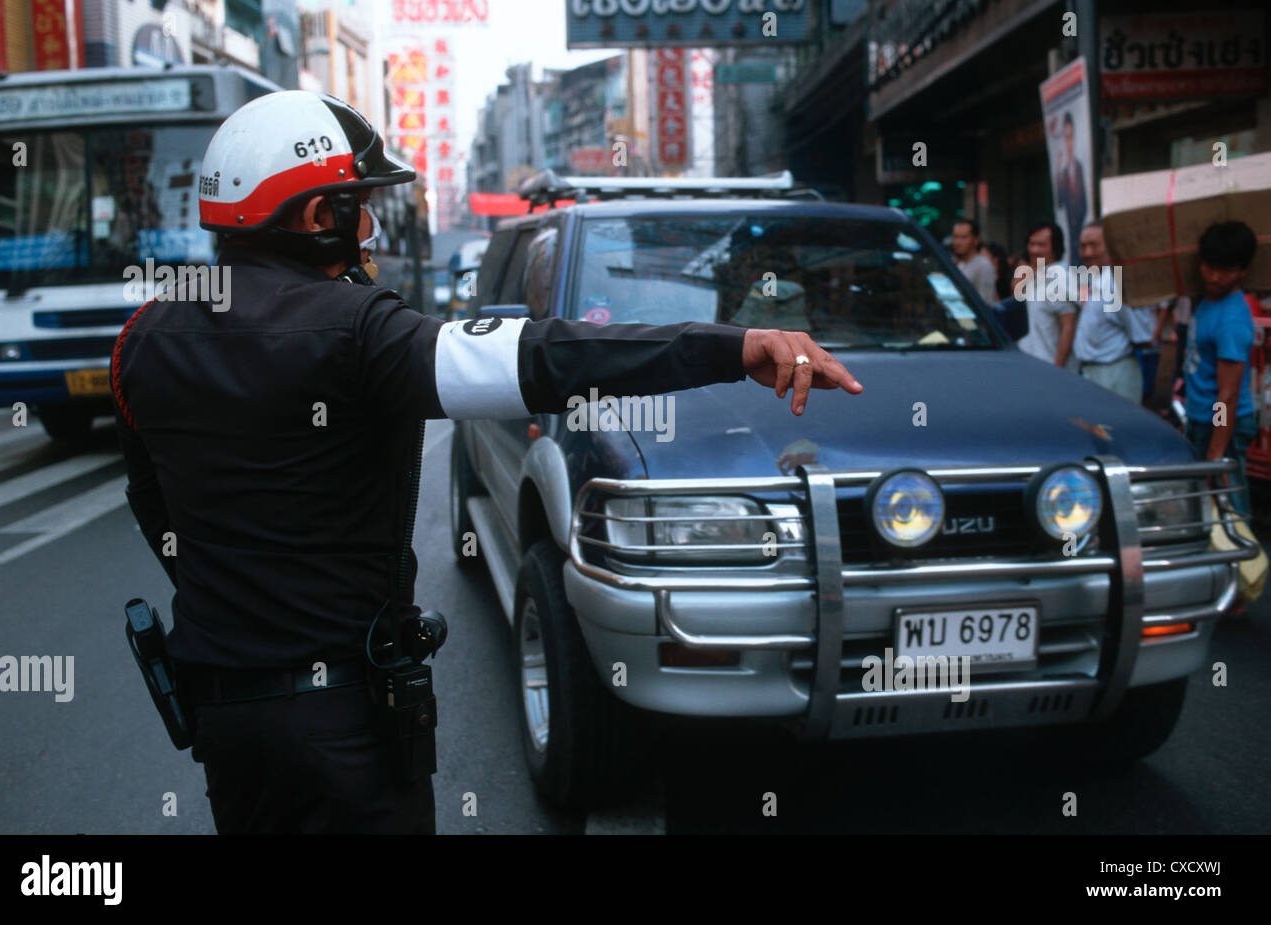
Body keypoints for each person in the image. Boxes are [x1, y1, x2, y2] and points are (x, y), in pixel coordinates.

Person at [108, 91, 862, 834]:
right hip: (343, 727)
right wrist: (733, 347)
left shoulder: (141, 338)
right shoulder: (357, 330)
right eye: (359, 206)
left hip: (224, 723)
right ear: (315, 216)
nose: (368, 228)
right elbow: (547, 356)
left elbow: (158, 513)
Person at [1183, 220, 1260, 517]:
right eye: (1209, 266)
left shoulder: (1231, 319)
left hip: (1221, 424)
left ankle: (1248, 561)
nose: (1214, 277)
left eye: (1226, 270)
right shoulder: (1208, 300)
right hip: (1203, 419)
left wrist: (1216, 452)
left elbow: (1227, 396)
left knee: (1230, 507)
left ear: (1243, 271)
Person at [1071, 222, 1155, 402]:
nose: (1087, 253)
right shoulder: (1098, 279)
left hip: (1114, 375)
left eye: (1094, 245)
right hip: (1093, 373)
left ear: (1110, 246)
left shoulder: (1118, 282)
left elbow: (1143, 338)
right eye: (1083, 246)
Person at [1016, 220, 1078, 368]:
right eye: (1032, 244)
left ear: (1055, 248)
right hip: (1034, 368)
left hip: (1051, 371)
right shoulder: (1038, 275)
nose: (1034, 250)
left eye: (1041, 245)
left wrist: (1058, 369)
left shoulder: (1061, 278)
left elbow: (1069, 327)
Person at [1053, 112, 1088, 251]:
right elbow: (1060, 202)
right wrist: (1057, 170)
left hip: (1080, 235)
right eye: (1066, 138)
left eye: (1071, 137)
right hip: (1069, 243)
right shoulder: (1062, 173)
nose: (1069, 143)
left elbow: (1085, 204)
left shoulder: (1080, 167)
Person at [950, 219, 997, 302]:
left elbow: (986, 301)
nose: (958, 242)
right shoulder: (959, 263)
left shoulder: (984, 266)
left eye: (964, 237)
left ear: (975, 240)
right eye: (955, 237)